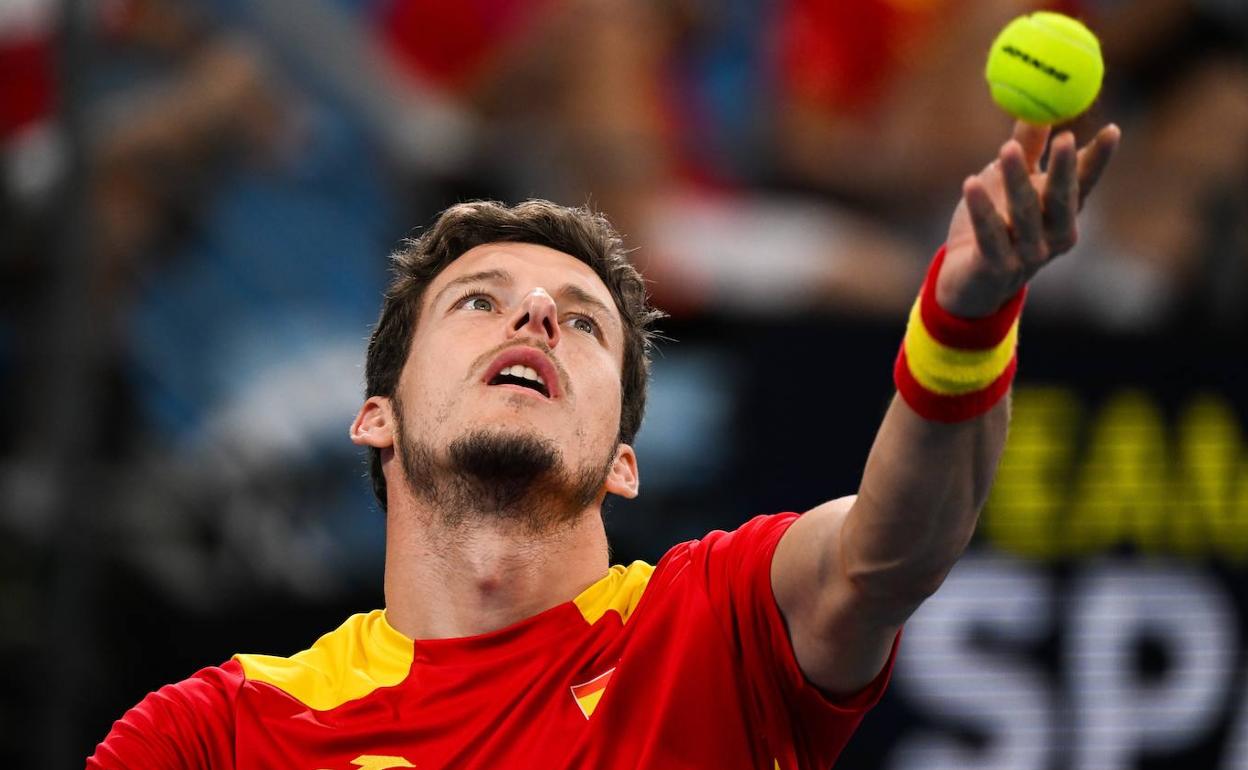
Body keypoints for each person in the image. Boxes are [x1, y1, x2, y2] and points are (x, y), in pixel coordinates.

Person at [87, 119, 1120, 768]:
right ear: (377, 416)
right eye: (479, 301)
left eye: (580, 320)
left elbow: (890, 554)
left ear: (625, 458)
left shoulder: (710, 628)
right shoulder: (216, 733)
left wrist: (968, 314)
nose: (533, 317)